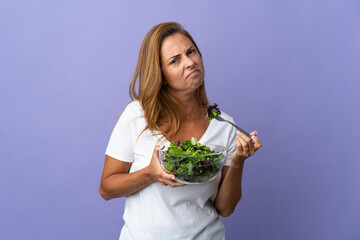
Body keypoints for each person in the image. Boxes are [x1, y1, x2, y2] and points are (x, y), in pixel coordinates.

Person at [99, 22, 262, 240]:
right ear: (161, 75)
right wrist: (151, 173)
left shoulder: (224, 125)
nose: (190, 62)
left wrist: (239, 162)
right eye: (175, 60)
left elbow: (225, 208)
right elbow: (107, 189)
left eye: (191, 52)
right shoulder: (137, 116)